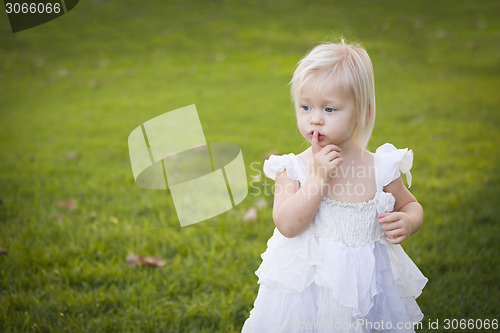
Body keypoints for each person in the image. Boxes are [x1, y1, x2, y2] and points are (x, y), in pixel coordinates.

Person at [242, 40, 428, 333]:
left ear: (362, 112)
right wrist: (317, 179)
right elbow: (287, 225)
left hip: (367, 292)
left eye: (329, 109)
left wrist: (408, 220)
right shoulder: (293, 170)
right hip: (307, 295)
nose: (314, 118)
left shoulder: (380, 168)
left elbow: (411, 205)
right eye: (305, 107)